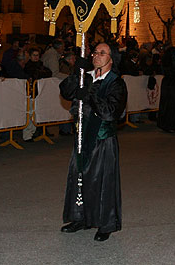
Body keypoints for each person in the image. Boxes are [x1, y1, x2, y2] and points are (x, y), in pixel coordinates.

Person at [59, 42, 127, 242]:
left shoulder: (116, 83)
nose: (97, 56)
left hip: (102, 139)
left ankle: (105, 223)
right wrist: (77, 71)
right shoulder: (85, 76)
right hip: (81, 136)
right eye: (95, 52)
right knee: (79, 177)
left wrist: (90, 93)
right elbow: (65, 91)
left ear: (111, 58)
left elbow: (110, 112)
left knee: (102, 181)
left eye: (102, 53)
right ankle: (81, 218)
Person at [157, 46, 175, 133]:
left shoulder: (166, 63)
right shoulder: (172, 64)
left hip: (168, 85)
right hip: (172, 86)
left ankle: (168, 124)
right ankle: (170, 124)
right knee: (172, 105)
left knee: (168, 105)